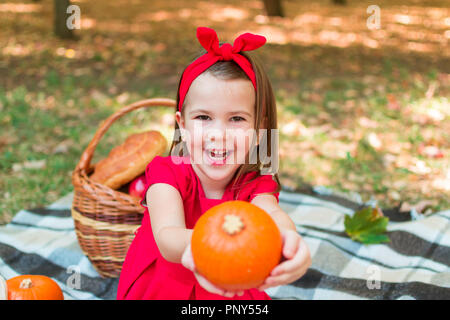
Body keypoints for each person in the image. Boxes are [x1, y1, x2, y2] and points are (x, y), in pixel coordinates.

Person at [117, 27, 311, 300]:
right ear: (182, 126)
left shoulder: (255, 186)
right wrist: (222, 246)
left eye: (236, 119)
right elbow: (167, 237)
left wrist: (289, 242)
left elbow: (273, 216)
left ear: (258, 132)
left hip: (226, 288)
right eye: (204, 117)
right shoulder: (167, 173)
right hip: (161, 290)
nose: (218, 134)